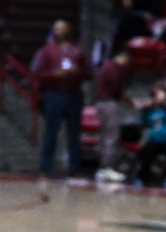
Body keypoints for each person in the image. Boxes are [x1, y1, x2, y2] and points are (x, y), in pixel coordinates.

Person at [30, 20, 87, 179]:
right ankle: (46, 169)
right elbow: (38, 73)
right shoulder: (47, 51)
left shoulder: (78, 50)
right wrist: (54, 75)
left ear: (68, 30)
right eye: (56, 28)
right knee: (51, 132)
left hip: (74, 94)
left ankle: (74, 168)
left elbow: (89, 72)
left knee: (74, 133)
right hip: (54, 94)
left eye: (61, 28)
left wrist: (78, 71)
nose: (58, 31)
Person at [91, 48, 133, 172]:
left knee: (105, 135)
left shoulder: (105, 66)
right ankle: (107, 167)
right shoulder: (114, 69)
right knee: (112, 135)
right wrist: (130, 101)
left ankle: (102, 166)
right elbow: (117, 90)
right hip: (108, 103)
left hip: (100, 103)